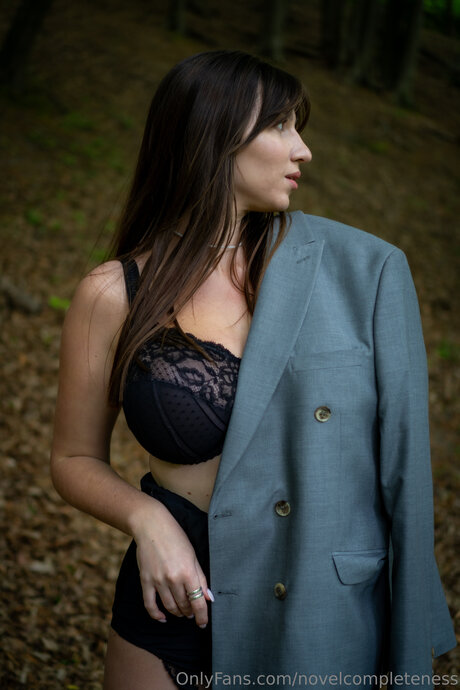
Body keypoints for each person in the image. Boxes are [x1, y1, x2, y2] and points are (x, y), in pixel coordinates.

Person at [50, 51, 456, 690]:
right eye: (281, 126)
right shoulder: (113, 293)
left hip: (316, 604)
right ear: (212, 134)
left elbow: (404, 474)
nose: (303, 150)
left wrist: (405, 655)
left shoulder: (365, 272)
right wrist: (147, 519)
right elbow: (73, 458)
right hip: (175, 597)